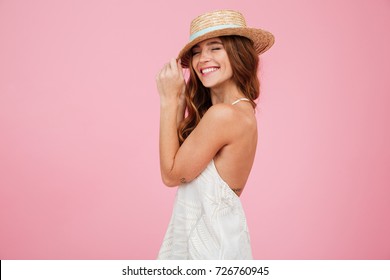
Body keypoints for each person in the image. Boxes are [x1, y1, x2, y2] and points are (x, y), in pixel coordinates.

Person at [156, 9, 274, 259]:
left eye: (215, 47)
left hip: (211, 250)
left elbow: (171, 174)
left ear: (238, 53)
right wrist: (179, 101)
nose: (202, 59)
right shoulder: (238, 111)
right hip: (220, 241)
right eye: (196, 51)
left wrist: (168, 101)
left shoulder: (223, 116)